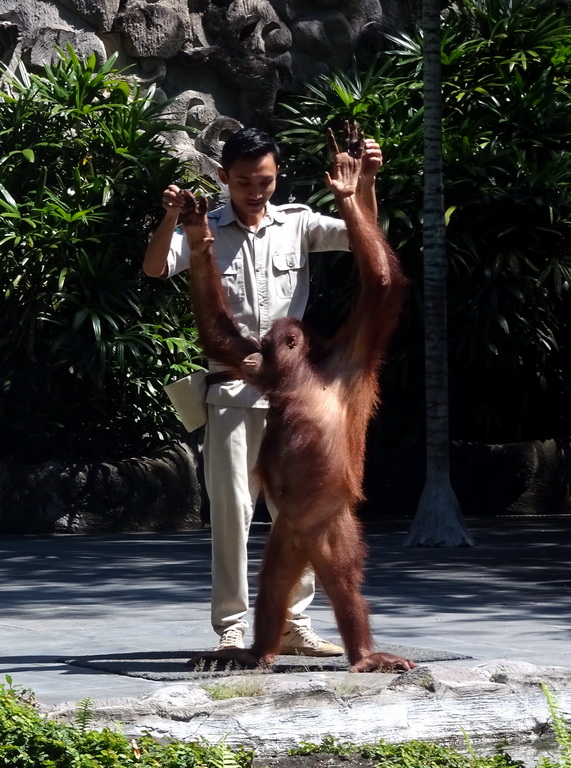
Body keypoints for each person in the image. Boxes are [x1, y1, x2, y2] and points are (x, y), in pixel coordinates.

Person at [142, 127, 382, 655]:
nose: (256, 191)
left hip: (294, 402)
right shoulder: (205, 226)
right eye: (246, 181)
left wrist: (364, 182)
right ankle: (232, 625)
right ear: (224, 177)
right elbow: (156, 266)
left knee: (301, 509)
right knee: (232, 511)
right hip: (230, 395)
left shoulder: (295, 223)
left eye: (266, 181)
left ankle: (294, 624)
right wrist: (169, 218)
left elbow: (358, 234)